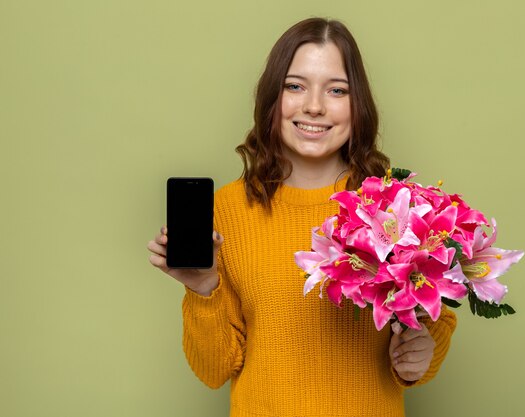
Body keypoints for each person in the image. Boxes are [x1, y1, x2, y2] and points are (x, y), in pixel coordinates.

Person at [147, 17, 457, 417]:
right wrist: (203, 287)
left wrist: (419, 355)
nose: (314, 105)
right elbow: (214, 370)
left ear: (357, 104)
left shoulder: (393, 207)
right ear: (271, 98)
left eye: (336, 90)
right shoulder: (226, 209)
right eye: (295, 86)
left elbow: (432, 323)